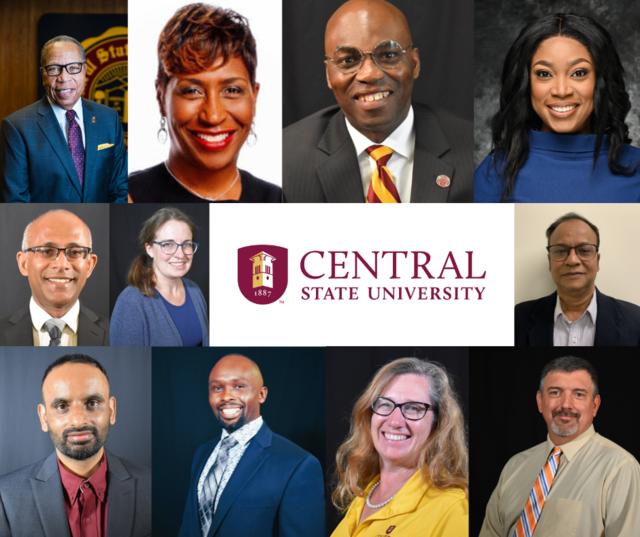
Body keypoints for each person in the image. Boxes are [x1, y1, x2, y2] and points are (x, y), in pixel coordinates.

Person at [283, 0, 473, 203]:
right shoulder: (286, 161)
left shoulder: (470, 154)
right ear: (329, 75)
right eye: (348, 60)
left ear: (415, 63)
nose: (370, 74)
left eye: (388, 55)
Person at [475, 13, 640, 202]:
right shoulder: (493, 173)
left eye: (578, 73)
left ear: (601, 81)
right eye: (544, 74)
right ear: (526, 83)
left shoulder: (636, 169)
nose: (561, 91)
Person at [128, 3, 281, 202]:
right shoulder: (126, 196)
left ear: (254, 97)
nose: (213, 116)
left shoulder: (279, 199)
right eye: (192, 91)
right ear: (160, 97)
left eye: (232, 90)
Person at [479, 356, 640, 536]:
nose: (565, 405)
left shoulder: (620, 468)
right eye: (555, 392)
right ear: (540, 401)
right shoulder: (514, 466)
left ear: (595, 405)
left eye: (578, 394)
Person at [0, 353, 151, 537]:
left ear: (112, 411)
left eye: (92, 403)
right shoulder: (5, 498)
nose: (79, 421)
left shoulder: (151, 486)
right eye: (62, 406)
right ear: (43, 417)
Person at [178, 354, 325, 536]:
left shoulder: (298, 465)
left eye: (239, 387)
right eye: (217, 388)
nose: (226, 396)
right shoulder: (202, 453)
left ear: (261, 394)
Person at [331, 358, 468, 536]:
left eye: (413, 408)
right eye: (385, 404)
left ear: (438, 423)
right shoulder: (362, 497)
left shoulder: (453, 509)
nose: (395, 421)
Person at [1, 35, 127, 203]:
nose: (64, 77)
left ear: (85, 70)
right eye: (54, 69)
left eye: (73, 68)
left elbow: (121, 188)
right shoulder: (17, 127)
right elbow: (15, 203)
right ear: (43, 74)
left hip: (104, 226)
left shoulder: (109, 119)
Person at [515, 212, 640, 346]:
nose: (572, 260)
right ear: (550, 262)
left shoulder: (635, 319)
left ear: (597, 261)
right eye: (560, 251)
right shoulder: (517, 318)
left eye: (584, 250)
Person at [0, 209, 108, 346]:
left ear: (90, 265)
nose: (62, 265)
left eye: (74, 252)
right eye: (46, 251)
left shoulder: (113, 333)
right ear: (23, 263)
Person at [110, 207, 208, 346]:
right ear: (149, 249)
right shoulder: (131, 302)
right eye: (168, 244)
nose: (180, 254)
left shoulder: (195, 291)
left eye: (187, 245)